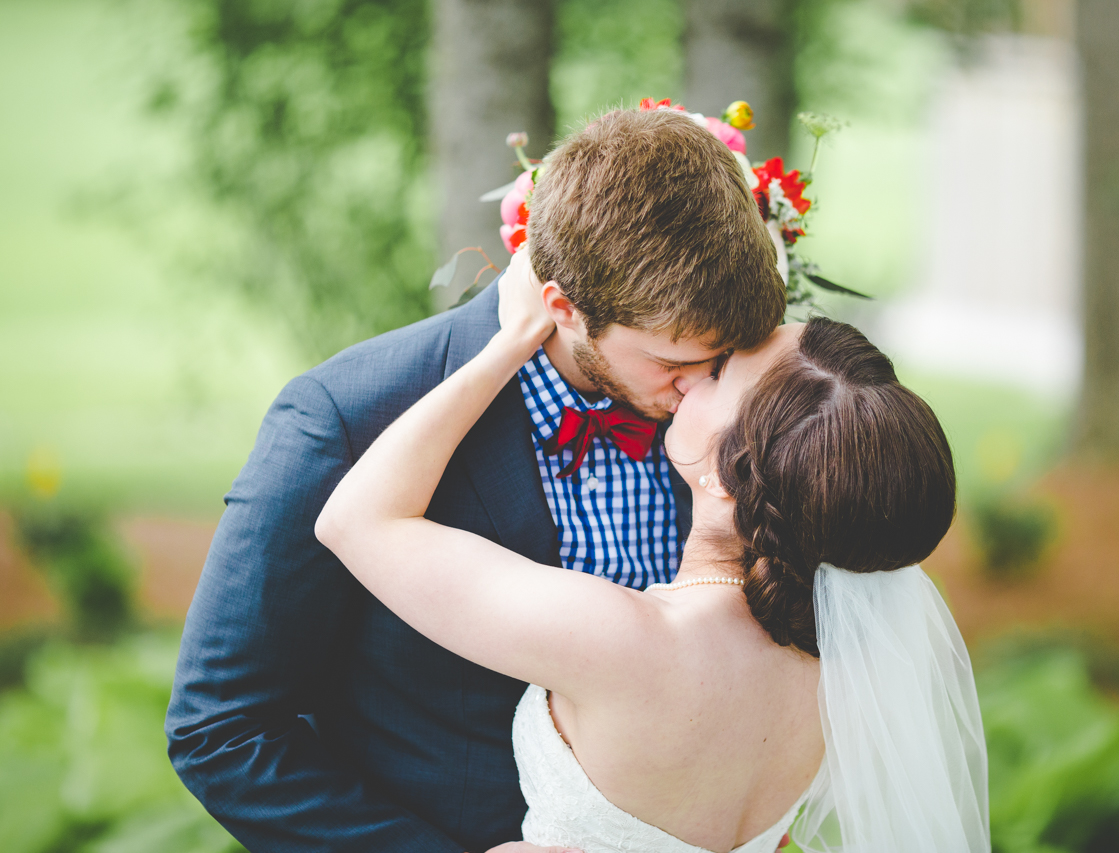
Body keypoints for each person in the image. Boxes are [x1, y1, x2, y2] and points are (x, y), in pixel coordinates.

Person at [165, 107, 785, 853]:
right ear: (565, 307)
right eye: (675, 364)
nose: (700, 392)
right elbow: (222, 729)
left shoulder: (731, 405)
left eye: (717, 363)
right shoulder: (347, 416)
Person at [316, 252, 989, 853]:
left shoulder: (622, 641)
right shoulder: (838, 678)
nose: (691, 376)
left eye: (721, 372)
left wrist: (510, 340)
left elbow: (357, 520)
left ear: (729, 475)